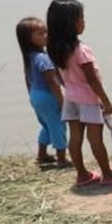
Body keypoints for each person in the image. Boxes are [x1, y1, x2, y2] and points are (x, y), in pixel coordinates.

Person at [46, 0, 112, 189]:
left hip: (71, 97)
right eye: (81, 18)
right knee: (95, 138)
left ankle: (82, 174)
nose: (84, 22)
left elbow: (59, 75)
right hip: (89, 99)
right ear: (72, 24)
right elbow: (92, 80)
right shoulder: (81, 51)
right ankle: (107, 174)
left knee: (75, 138)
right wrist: (106, 102)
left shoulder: (55, 49)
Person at [17, 17, 69, 168]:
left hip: (35, 94)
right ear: (28, 39)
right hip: (47, 95)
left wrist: (31, 97)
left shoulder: (29, 57)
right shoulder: (42, 58)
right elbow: (52, 82)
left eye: (46, 32)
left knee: (47, 125)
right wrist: (62, 102)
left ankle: (42, 154)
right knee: (58, 125)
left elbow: (27, 79)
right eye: (40, 33)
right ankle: (61, 158)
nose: (46, 35)